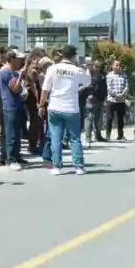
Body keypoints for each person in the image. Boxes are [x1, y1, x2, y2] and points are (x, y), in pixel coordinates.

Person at [40, 44, 87, 175]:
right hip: (71, 108)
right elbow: (87, 82)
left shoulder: (53, 68)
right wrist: (76, 88)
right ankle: (79, 166)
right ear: (74, 56)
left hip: (54, 106)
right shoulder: (77, 70)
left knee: (55, 138)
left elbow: (45, 89)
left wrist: (41, 105)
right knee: (74, 138)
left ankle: (56, 167)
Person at [0, 50, 26, 168]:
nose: (21, 61)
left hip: (17, 104)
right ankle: (11, 159)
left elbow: (19, 89)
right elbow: (15, 88)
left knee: (17, 133)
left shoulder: (13, 72)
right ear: (12, 59)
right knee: (11, 134)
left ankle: (16, 156)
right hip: (10, 106)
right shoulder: (5, 71)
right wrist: (20, 75)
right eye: (19, 59)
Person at [105, 59, 129, 142]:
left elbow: (126, 86)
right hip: (111, 100)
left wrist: (122, 94)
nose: (118, 66)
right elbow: (109, 88)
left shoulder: (124, 75)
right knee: (109, 118)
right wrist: (116, 95)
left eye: (119, 65)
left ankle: (120, 135)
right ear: (112, 66)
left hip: (121, 100)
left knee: (120, 119)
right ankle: (108, 136)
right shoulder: (109, 75)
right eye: (116, 65)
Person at [85, 58, 108, 144]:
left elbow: (104, 86)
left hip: (100, 99)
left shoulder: (102, 74)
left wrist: (105, 96)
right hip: (91, 99)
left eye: (99, 66)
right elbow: (86, 85)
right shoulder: (89, 73)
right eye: (96, 66)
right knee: (89, 118)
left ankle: (98, 136)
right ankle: (88, 137)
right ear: (93, 65)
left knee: (99, 119)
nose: (98, 68)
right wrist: (89, 95)